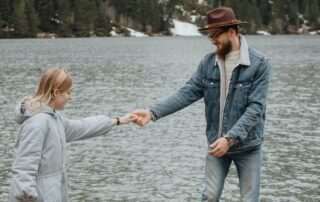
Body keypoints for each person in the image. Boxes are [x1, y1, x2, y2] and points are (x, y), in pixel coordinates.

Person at [132, 7, 271, 202]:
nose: (212, 40)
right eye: (209, 36)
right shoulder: (208, 63)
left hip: (248, 147)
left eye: (216, 35)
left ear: (232, 31)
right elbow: (186, 93)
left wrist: (229, 138)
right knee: (209, 196)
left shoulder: (260, 63)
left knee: (249, 199)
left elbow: (256, 108)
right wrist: (152, 113)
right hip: (216, 144)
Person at [9, 68, 137, 202]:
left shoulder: (54, 118)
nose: (70, 97)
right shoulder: (37, 123)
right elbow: (23, 169)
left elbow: (82, 127)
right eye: (68, 92)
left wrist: (118, 120)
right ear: (56, 93)